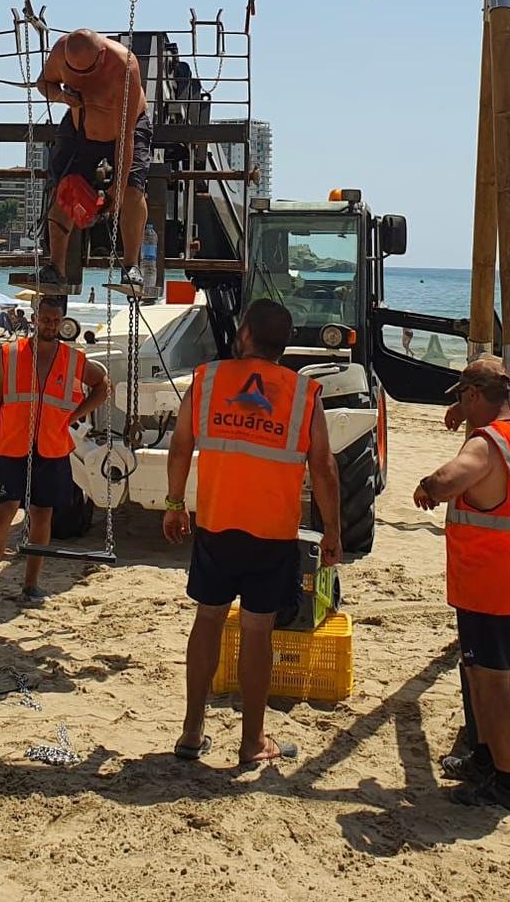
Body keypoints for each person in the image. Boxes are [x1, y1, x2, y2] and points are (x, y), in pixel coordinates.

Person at [163, 299, 342, 766]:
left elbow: (181, 445)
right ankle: (252, 741)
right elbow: (323, 469)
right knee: (257, 631)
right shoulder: (303, 394)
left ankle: (191, 732)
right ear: (283, 346)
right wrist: (333, 532)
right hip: (272, 533)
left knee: (208, 620)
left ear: (244, 335)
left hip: (217, 525)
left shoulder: (206, 380)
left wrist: (174, 502)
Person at [414, 354, 510, 815]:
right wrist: (468, 408)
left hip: (492, 586)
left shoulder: (486, 447)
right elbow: (505, 399)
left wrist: (425, 486)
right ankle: (485, 759)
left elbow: (445, 482)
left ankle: (508, 783)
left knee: (492, 684)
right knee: (482, 677)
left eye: (464, 395)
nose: (459, 404)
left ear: (477, 394)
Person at [0, 293, 110, 613]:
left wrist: (74, 416)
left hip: (51, 448)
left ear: (62, 322)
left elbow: (103, 386)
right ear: (34, 320)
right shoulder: (10, 354)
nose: (50, 325)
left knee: (42, 515)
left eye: (55, 320)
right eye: (45, 319)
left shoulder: (73, 359)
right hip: (12, 447)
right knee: (4, 513)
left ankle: (31, 585)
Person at [34, 27, 150, 294]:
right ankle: (55, 267)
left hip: (124, 130)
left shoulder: (124, 66)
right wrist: (63, 96)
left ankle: (131, 265)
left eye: (87, 72)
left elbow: (127, 135)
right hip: (79, 128)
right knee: (62, 189)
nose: (82, 78)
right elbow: (44, 84)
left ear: (100, 56)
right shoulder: (60, 51)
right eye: (76, 73)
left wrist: (117, 188)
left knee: (133, 189)